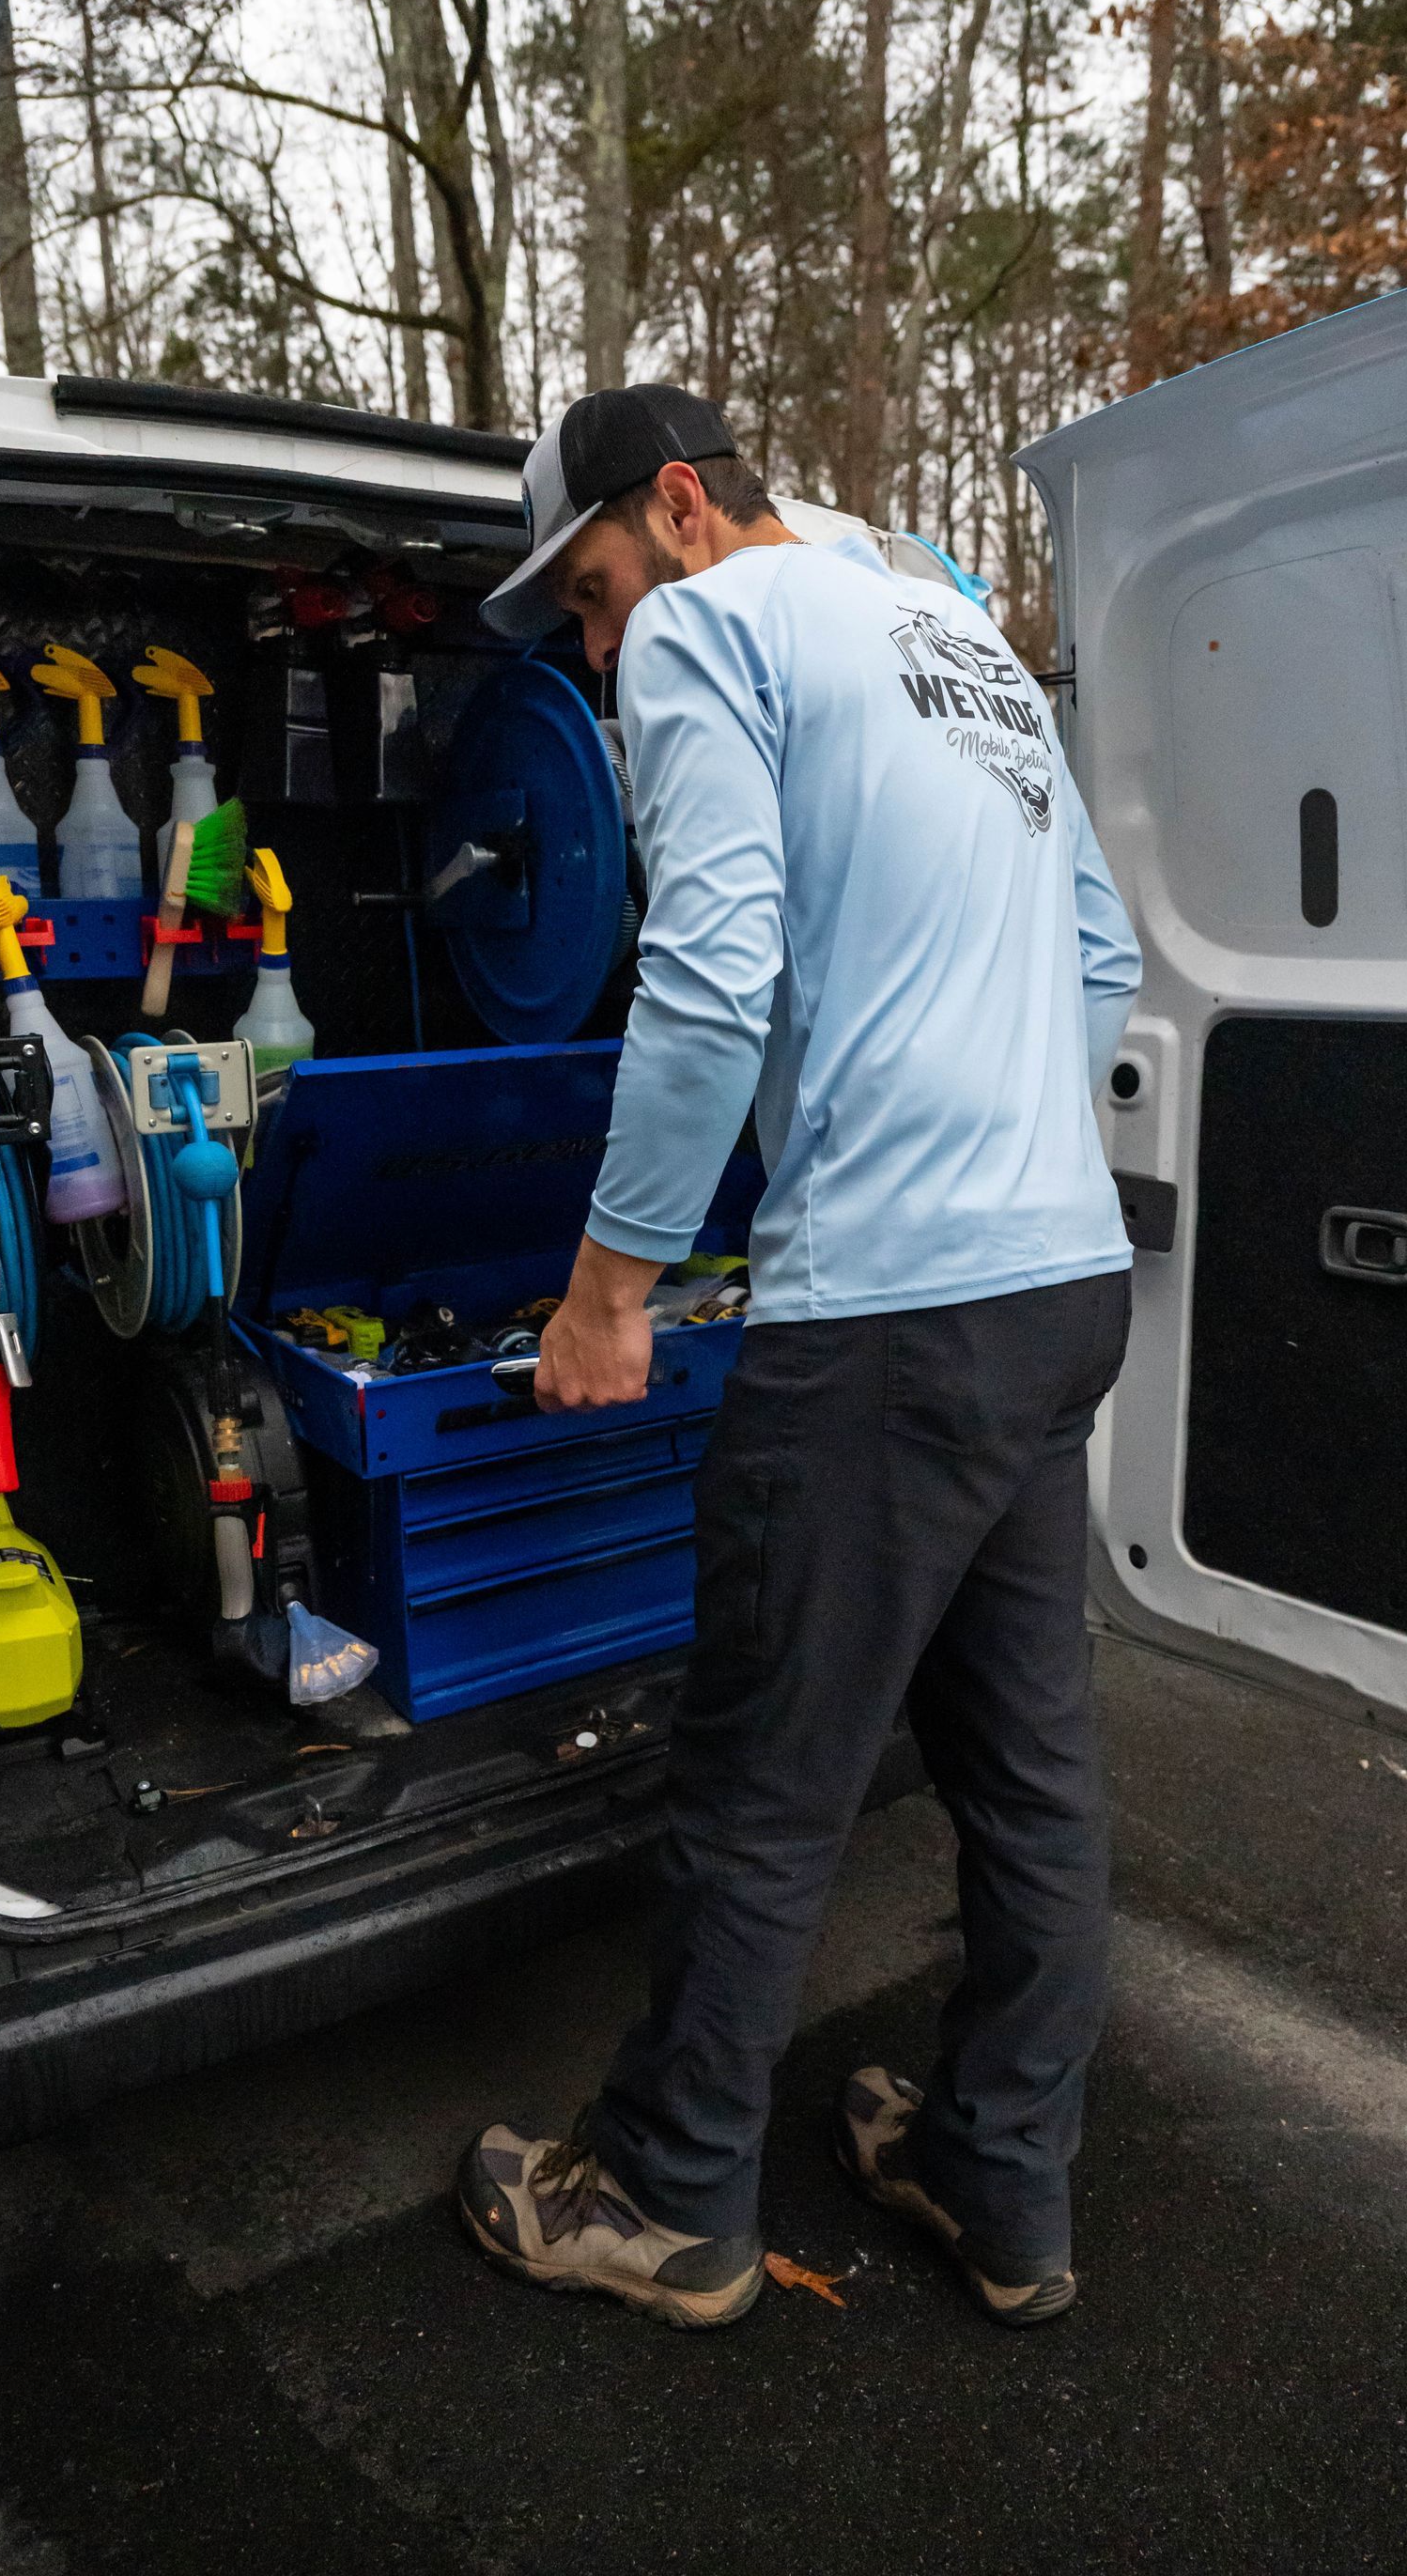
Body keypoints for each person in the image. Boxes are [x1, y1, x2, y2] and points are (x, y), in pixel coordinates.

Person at [459, 382, 1141, 2332]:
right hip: (1056, 1283)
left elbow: (706, 975)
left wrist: (610, 1291)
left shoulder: (711, 623)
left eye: (586, 598)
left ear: (676, 510)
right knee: (1031, 1776)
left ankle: (670, 2201)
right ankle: (999, 2184)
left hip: (891, 1325)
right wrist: (988, 1131)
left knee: (765, 1789)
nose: (593, 656)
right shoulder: (944, 620)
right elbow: (1099, 951)